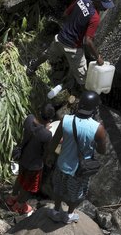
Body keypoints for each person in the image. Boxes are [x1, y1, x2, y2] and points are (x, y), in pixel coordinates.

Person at [43, 91, 108, 224]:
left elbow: (55, 141)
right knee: (77, 194)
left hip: (62, 164)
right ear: (94, 109)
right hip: (79, 170)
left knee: (58, 188)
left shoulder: (66, 120)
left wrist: (49, 155)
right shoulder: (98, 128)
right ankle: (69, 214)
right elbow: (102, 151)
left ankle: (55, 210)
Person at [44, 0, 114, 93]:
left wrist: (71, 27)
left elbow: (65, 14)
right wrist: (98, 57)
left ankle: (32, 68)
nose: (106, 8)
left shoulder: (82, 0)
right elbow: (87, 41)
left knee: (47, 53)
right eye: (104, 5)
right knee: (83, 77)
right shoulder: (95, 18)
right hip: (73, 47)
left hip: (60, 38)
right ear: (97, 1)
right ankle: (86, 99)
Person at [5, 104, 57, 215]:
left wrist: (44, 128)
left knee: (20, 177)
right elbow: (47, 151)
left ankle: (12, 197)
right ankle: (19, 205)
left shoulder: (29, 119)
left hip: (23, 157)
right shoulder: (47, 135)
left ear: (39, 112)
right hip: (34, 164)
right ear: (50, 120)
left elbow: (35, 129)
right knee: (28, 186)